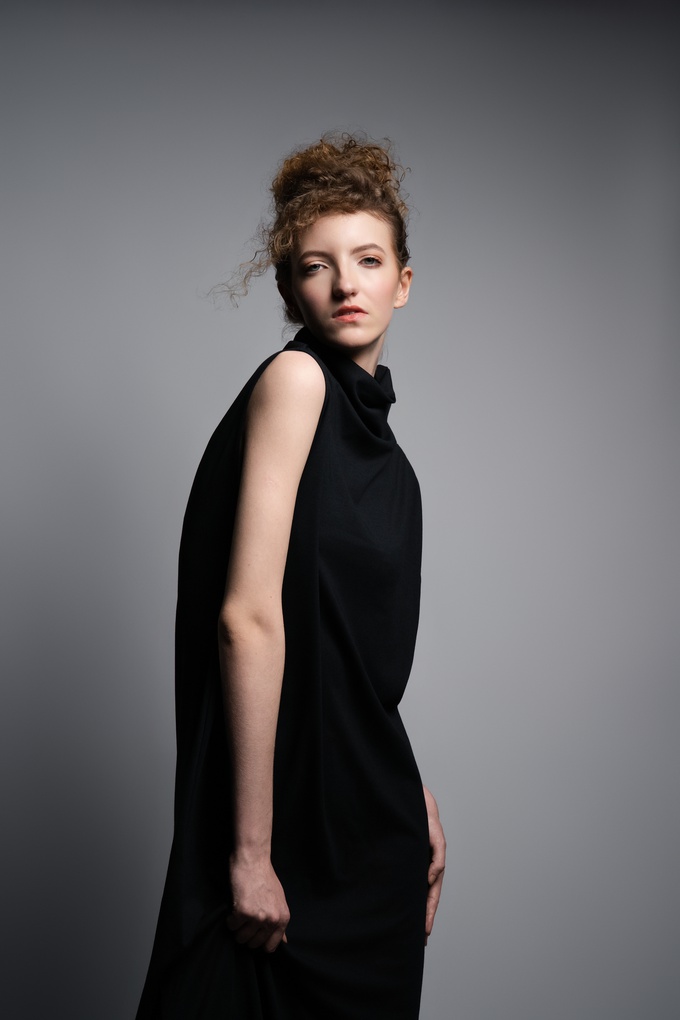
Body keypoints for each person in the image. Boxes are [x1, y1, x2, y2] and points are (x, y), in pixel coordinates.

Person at [136, 134, 445, 1020]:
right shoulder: (297, 381)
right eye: (317, 266)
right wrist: (247, 852)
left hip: (371, 832)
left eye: (369, 260)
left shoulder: (391, 461)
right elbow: (247, 618)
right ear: (288, 291)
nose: (347, 284)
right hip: (284, 833)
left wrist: (414, 791)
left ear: (404, 282)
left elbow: (352, 663)